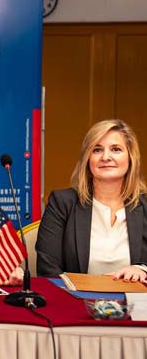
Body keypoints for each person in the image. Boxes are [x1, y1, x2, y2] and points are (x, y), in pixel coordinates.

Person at [36, 119, 147, 281]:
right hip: (74, 296)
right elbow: (47, 269)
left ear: (131, 157)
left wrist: (142, 270)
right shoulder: (62, 203)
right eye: (97, 150)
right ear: (87, 159)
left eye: (116, 149)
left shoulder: (145, 205)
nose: (106, 157)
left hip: (135, 297)